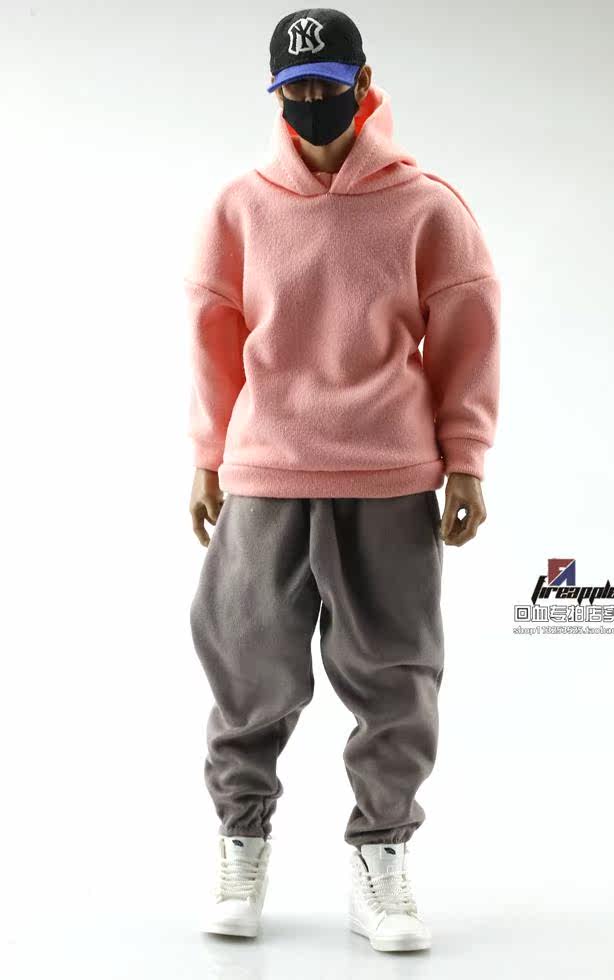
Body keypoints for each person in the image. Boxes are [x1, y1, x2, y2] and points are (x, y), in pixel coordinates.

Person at [186, 7, 501, 953]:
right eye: (296, 89)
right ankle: (242, 841)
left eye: (329, 83)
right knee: (247, 666)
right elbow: (212, 335)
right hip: (267, 473)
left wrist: (467, 460)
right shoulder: (240, 206)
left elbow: (467, 337)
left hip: (389, 474)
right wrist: (207, 455)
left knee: (397, 675)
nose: (314, 101)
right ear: (276, 94)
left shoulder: (427, 206)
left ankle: (383, 855)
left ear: (363, 82)